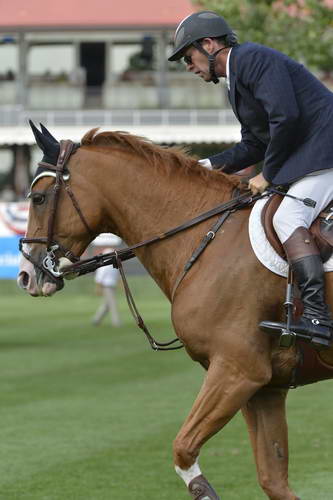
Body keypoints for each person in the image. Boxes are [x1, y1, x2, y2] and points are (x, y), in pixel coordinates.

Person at [168, 10, 333, 348]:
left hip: (326, 149)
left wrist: (267, 174)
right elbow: (254, 144)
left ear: (210, 44)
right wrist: (202, 168)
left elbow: (285, 119)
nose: (189, 66)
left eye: (189, 56)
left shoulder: (253, 59)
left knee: (288, 216)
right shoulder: (236, 83)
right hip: (313, 154)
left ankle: (318, 315)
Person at [92, 249, 121, 327]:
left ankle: (96, 320)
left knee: (106, 306)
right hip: (106, 287)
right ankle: (116, 322)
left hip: (112, 286)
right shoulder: (104, 266)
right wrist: (98, 288)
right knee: (113, 304)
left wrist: (120, 285)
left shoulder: (114, 264)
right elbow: (99, 278)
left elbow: (117, 276)